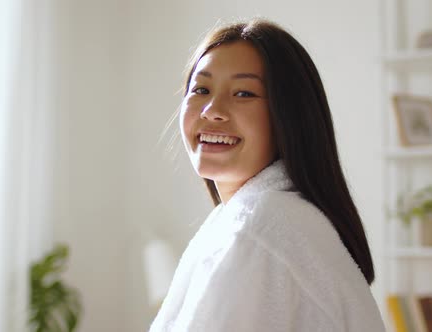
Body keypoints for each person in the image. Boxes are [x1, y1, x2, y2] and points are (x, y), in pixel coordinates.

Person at [150, 18, 386, 331]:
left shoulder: (259, 227)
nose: (212, 110)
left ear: (289, 116)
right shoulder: (267, 220)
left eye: (244, 93)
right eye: (202, 89)